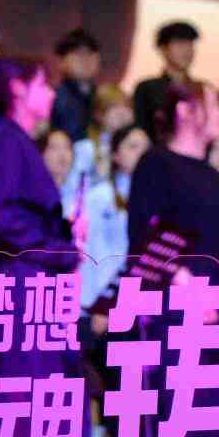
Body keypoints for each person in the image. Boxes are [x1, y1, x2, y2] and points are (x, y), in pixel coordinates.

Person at [0, 56, 80, 437]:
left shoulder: (15, 142)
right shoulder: (6, 143)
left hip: (34, 282)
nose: (51, 94)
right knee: (24, 393)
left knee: (39, 395)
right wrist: (60, 250)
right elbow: (6, 218)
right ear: (18, 89)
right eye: (42, 84)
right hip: (24, 284)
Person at [127, 80, 219, 437]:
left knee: (218, 430)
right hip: (176, 314)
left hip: (218, 314)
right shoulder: (156, 164)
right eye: (214, 105)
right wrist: (182, 280)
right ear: (186, 111)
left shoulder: (212, 175)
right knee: (180, 426)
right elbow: (143, 240)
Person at [79, 124, 150, 310]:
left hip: (140, 298)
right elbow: (90, 252)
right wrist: (99, 302)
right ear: (116, 155)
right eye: (133, 147)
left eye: (146, 148)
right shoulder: (101, 196)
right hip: (102, 299)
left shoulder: (155, 197)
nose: (142, 154)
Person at [132, 21, 199, 142]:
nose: (187, 50)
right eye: (180, 45)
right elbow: (141, 130)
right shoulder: (147, 88)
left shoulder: (202, 89)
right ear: (163, 49)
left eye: (190, 44)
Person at [70, 83, 135, 185]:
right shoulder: (86, 147)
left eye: (126, 106)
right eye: (114, 106)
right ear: (98, 114)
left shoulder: (139, 145)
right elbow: (75, 186)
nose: (122, 112)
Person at [50, 28, 101, 143]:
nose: (86, 59)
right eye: (78, 54)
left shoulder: (103, 96)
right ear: (61, 62)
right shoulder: (54, 98)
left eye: (91, 53)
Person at [38, 128, 77, 214]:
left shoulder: (79, 191)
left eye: (67, 147)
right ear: (41, 154)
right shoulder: (32, 193)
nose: (62, 154)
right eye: (55, 148)